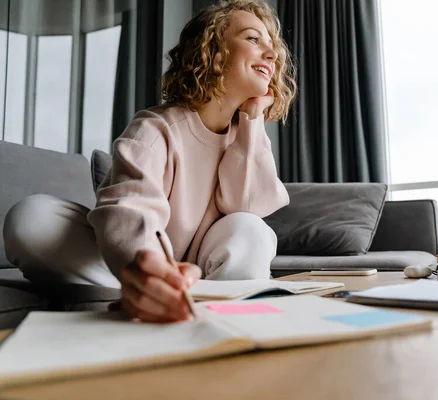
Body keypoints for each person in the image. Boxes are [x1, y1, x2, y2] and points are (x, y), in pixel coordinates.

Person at [3, 0, 296, 323]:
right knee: (31, 217)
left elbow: (246, 206)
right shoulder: (157, 128)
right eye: (254, 39)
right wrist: (145, 265)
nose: (272, 54)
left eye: (272, 46)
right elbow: (128, 208)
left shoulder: (248, 135)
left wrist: (252, 119)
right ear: (212, 50)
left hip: (207, 272)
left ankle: (190, 305)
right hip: (132, 262)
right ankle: (150, 289)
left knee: (250, 228)